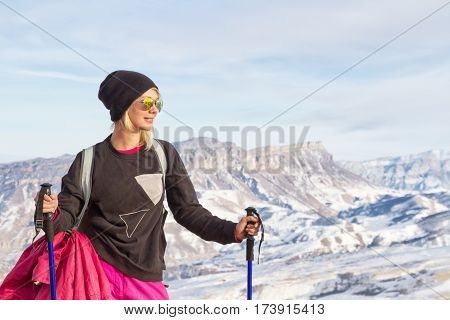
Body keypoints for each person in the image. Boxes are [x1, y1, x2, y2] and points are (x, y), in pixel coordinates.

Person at [35, 70, 261, 300]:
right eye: (147, 102)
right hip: (94, 274)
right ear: (123, 105)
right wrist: (50, 213)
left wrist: (232, 231)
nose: (155, 109)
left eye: (158, 103)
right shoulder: (89, 160)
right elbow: (65, 219)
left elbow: (188, 211)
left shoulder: (164, 154)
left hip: (145, 278)